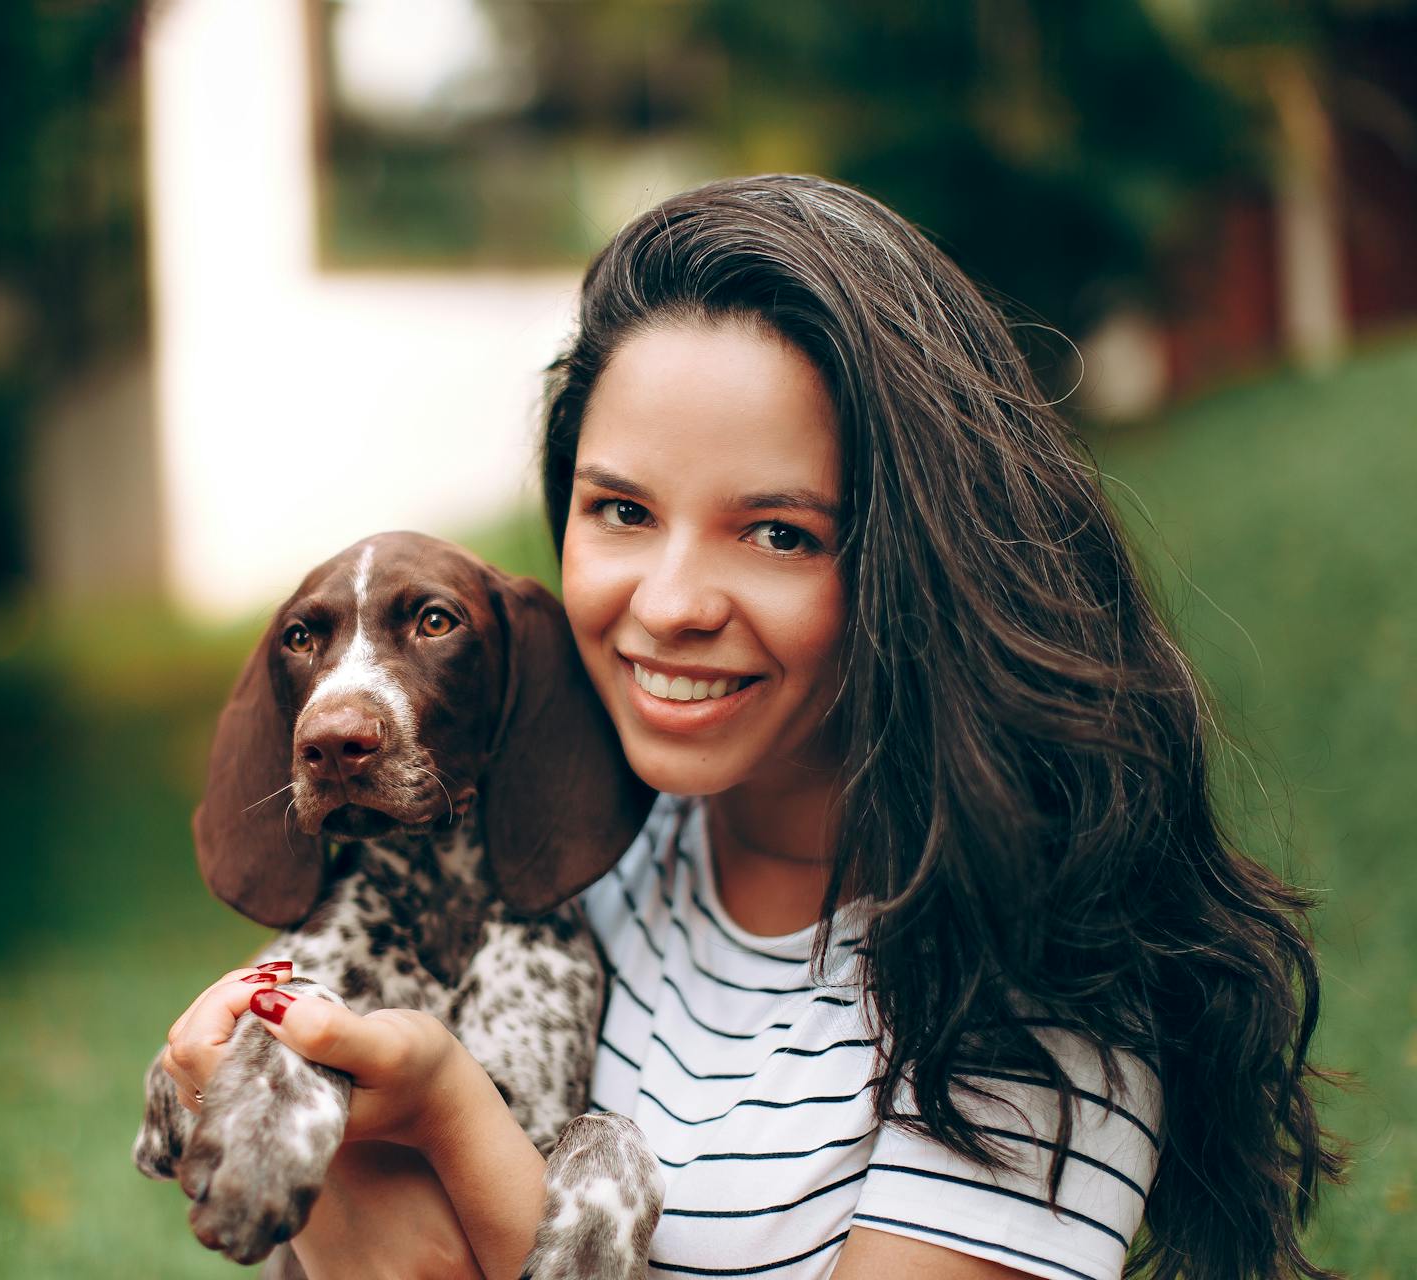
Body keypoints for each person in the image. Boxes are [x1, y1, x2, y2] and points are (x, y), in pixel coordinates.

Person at [155, 175, 1343, 1279]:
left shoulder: (1023, 987)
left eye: (777, 531)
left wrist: (441, 1118)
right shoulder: (574, 846)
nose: (669, 604)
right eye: (621, 508)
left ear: (915, 559)